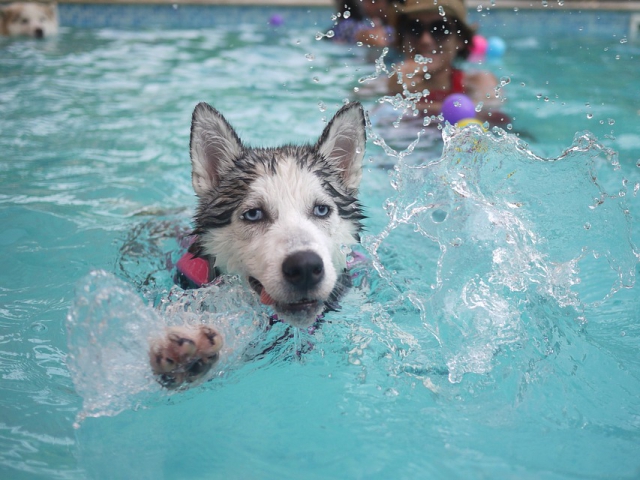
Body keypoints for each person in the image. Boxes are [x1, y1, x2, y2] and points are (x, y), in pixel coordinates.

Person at [387, 0, 507, 124]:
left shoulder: (477, 83)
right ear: (402, 38)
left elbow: (495, 121)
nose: (425, 40)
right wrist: (395, 93)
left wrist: (400, 105)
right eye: (414, 28)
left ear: (460, 40)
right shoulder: (387, 84)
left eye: (440, 29)